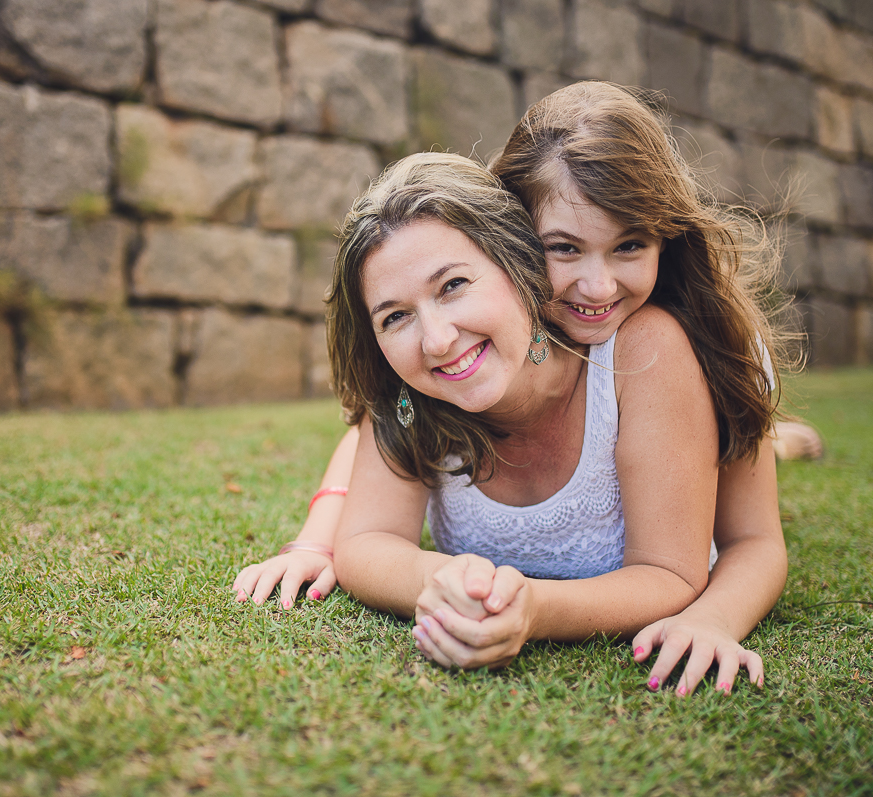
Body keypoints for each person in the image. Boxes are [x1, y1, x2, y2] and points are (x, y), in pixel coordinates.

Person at [234, 83, 790, 695]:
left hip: (678, 416)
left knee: (736, 438)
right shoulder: (421, 383)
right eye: (563, 249)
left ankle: (775, 439)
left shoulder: (658, 345)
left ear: (505, 258)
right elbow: (372, 470)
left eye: (453, 286)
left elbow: (735, 550)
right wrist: (342, 549)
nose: (597, 288)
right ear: (524, 243)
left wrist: (703, 617)